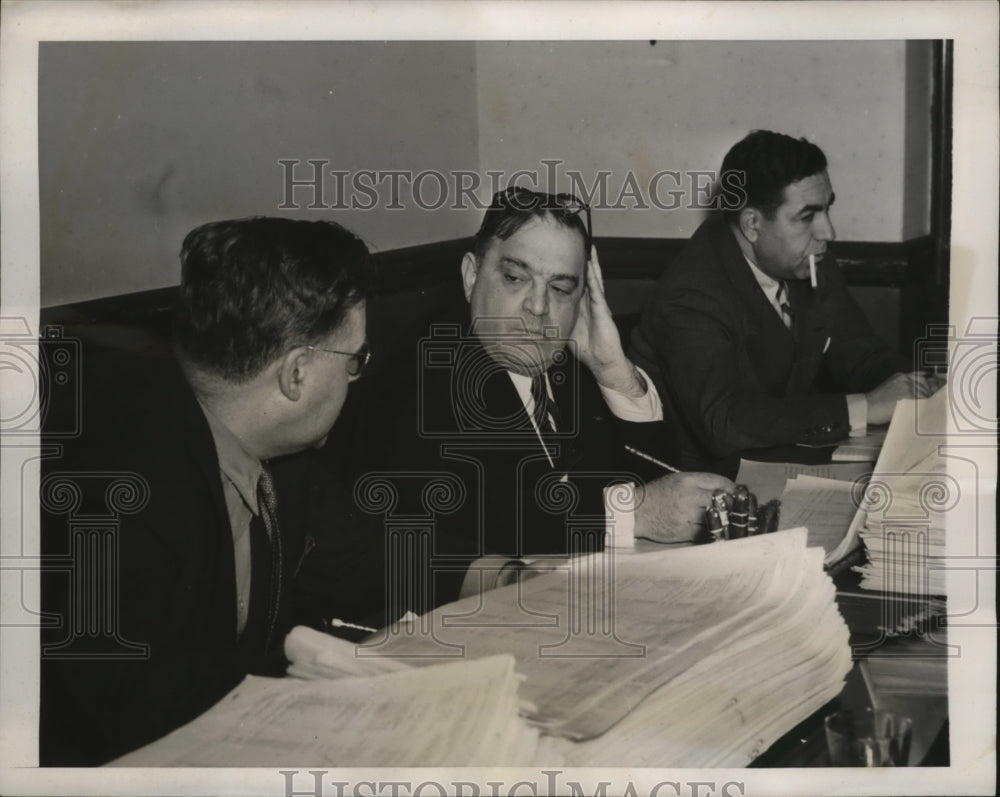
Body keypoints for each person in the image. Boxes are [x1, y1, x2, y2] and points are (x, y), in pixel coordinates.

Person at [39, 217, 409, 765]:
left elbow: (362, 551)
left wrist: (507, 573)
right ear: (296, 374)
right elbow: (130, 712)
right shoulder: (117, 479)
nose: (354, 377)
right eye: (354, 360)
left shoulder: (275, 451)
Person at [348, 187, 731, 571]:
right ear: (471, 276)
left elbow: (658, 486)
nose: (538, 306)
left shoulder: (569, 367)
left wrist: (612, 370)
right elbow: (478, 518)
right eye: (515, 278)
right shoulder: (420, 375)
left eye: (561, 289)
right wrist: (634, 512)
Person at [630, 130, 943, 469]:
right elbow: (724, 423)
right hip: (700, 482)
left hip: (780, 461)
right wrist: (866, 406)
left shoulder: (808, 263)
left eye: (826, 210)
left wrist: (923, 388)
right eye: (807, 217)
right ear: (752, 224)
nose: (828, 233)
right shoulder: (690, 295)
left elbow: (861, 356)